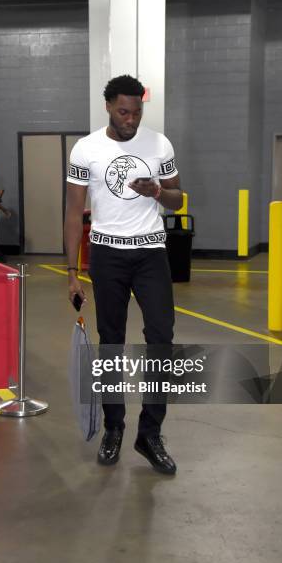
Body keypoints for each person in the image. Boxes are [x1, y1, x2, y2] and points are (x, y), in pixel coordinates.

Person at [64, 75, 183, 475]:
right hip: (107, 254)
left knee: (161, 338)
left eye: (137, 111)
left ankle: (150, 435)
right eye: (123, 111)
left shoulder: (159, 143)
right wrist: (71, 272)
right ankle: (114, 428)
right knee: (111, 341)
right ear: (108, 106)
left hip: (150, 252)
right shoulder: (86, 149)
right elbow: (72, 212)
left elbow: (177, 198)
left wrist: (156, 192)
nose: (131, 119)